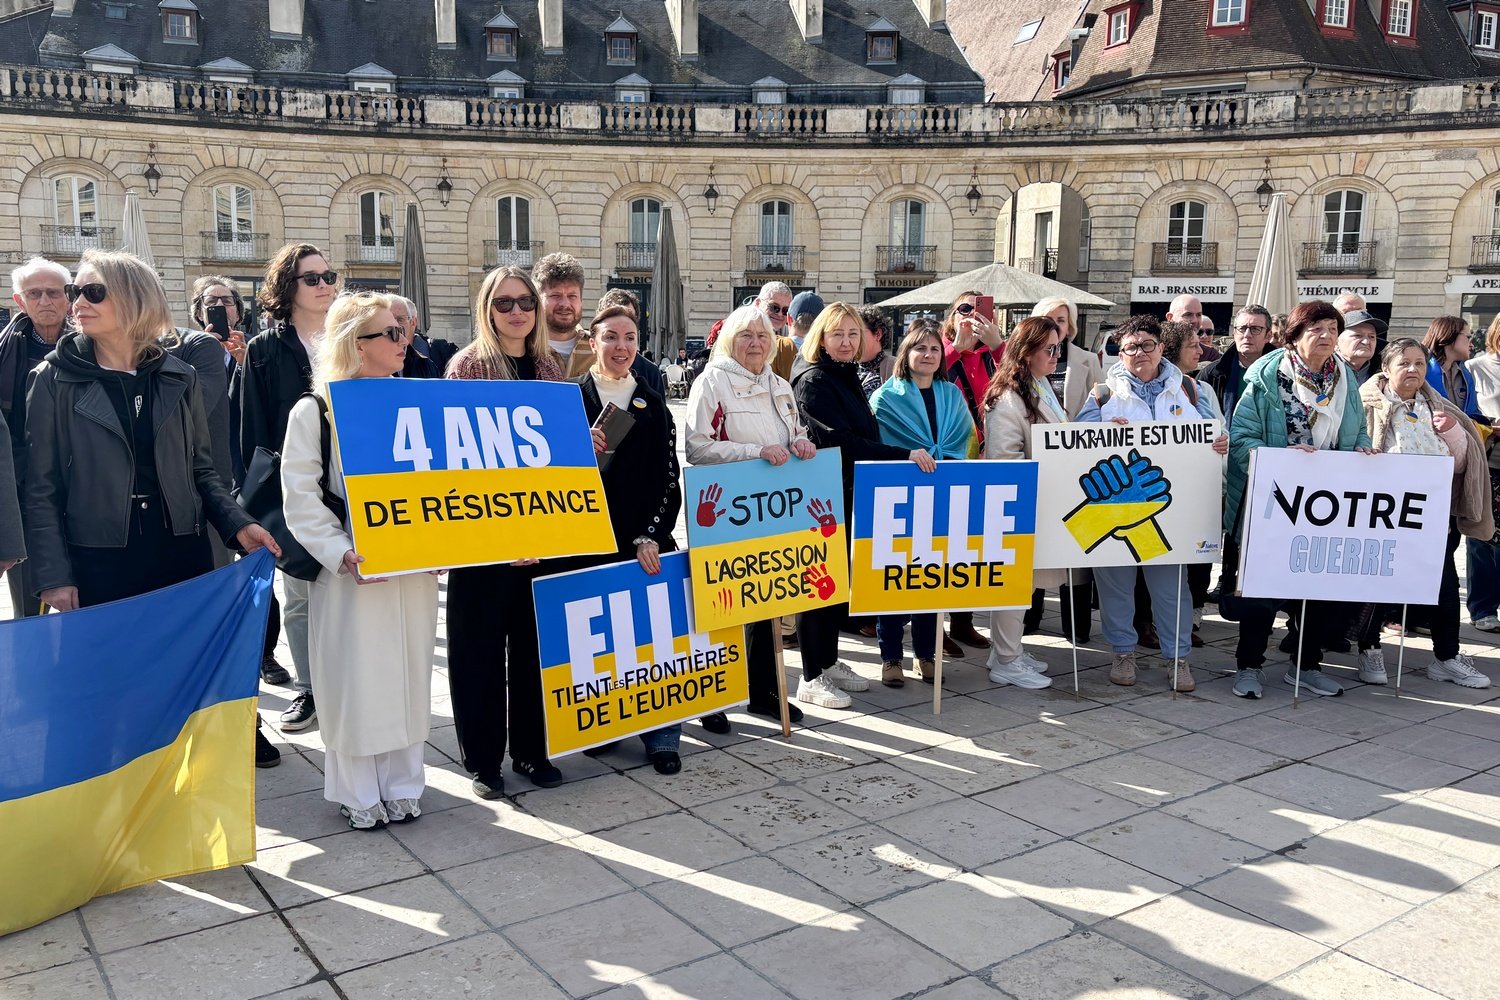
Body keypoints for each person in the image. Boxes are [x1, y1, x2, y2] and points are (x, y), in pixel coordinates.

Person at [24, 249, 281, 762]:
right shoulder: (52, 379)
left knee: (180, 687)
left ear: (133, 299)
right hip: (99, 559)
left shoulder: (178, 376)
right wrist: (53, 575)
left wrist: (239, 524)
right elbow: (40, 488)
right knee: (103, 697)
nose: (78, 302)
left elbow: (202, 471)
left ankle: (175, 798)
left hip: (179, 553)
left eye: (93, 291)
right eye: (76, 291)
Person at [282, 291, 442, 827]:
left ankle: (403, 784)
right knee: (356, 680)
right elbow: (300, 498)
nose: (404, 341)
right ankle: (357, 792)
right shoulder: (315, 411)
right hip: (353, 570)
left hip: (412, 567)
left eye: (403, 330)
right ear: (356, 344)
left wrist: (449, 543)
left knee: (408, 676)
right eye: (390, 333)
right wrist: (341, 552)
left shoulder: (417, 401)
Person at [444, 266, 566, 797]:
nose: (516, 312)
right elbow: (455, 460)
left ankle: (533, 751)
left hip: (540, 533)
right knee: (480, 651)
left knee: (536, 648)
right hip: (484, 535)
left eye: (525, 302)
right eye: (504, 303)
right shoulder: (466, 367)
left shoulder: (550, 366)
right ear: (487, 309)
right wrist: (500, 535)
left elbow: (556, 457)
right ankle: (484, 760)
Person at [1223, 300, 1374, 699]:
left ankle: (1306, 666)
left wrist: (1363, 448)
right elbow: (1241, 439)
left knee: (1318, 590)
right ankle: (1248, 667)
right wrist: (1282, 459)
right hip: (1273, 502)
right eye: (1316, 329)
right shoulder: (1268, 376)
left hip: (1326, 504)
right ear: (1293, 336)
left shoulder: (1344, 377)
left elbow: (1356, 429)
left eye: (1332, 329)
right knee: (1261, 592)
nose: (1326, 336)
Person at [1077, 316, 1229, 691]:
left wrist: (1220, 445)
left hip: (1170, 510)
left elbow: (1217, 436)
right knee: (1116, 586)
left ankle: (1178, 658)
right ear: (1121, 354)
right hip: (1116, 506)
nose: (1140, 352)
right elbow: (1076, 443)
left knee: (1171, 588)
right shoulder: (1102, 395)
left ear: (1161, 348)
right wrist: (1099, 434)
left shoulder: (1192, 390)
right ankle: (1122, 653)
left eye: (1147, 345)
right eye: (1131, 347)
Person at [568, 304, 687, 772]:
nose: (621, 347)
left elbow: (669, 478)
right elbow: (551, 476)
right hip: (589, 541)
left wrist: (651, 534)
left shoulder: (652, 401)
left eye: (630, 338)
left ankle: (663, 733)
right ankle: (608, 723)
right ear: (592, 342)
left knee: (655, 638)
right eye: (611, 337)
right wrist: (578, 449)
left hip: (642, 541)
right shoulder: (569, 399)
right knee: (601, 638)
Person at [791, 302, 926, 707]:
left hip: (847, 493)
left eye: (853, 334)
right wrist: (902, 455)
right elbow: (840, 443)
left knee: (836, 585)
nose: (847, 342)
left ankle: (828, 661)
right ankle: (811, 675)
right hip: (822, 499)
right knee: (819, 585)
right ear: (821, 338)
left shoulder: (844, 373)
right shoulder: (814, 379)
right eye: (838, 334)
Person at [686, 304, 814, 725]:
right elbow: (698, 447)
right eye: (746, 335)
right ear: (729, 340)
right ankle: (715, 699)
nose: (756, 343)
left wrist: (801, 442)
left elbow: (793, 430)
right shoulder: (712, 381)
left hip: (773, 506)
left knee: (766, 598)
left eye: (762, 336)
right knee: (725, 601)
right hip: (729, 506)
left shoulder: (780, 383)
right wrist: (755, 452)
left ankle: (764, 690)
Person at [1354, 338, 1494, 689]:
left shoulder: (1439, 407)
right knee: (1378, 584)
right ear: (1386, 368)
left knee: (1444, 585)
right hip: (1381, 514)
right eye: (1404, 363)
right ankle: (1369, 649)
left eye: (1419, 363)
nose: (1413, 370)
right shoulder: (1364, 403)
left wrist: (1453, 433)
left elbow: (1461, 464)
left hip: (1430, 516)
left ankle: (1447, 657)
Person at [242, 242, 338, 733]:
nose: (324, 286)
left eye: (329, 277)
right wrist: (254, 505)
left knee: (348, 593)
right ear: (287, 287)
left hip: (350, 487)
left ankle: (347, 684)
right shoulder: (263, 350)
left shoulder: (350, 336)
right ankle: (309, 688)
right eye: (312, 278)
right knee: (299, 595)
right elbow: (251, 430)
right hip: (292, 489)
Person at [869, 320, 975, 685]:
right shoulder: (886, 397)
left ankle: (926, 654)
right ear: (906, 353)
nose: (928, 355)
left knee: (932, 576)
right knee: (895, 577)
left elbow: (966, 439)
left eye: (934, 349)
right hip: (898, 498)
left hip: (943, 493)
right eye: (920, 348)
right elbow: (879, 446)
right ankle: (891, 658)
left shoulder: (952, 394)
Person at [978, 316, 1073, 691]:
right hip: (1018, 504)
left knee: (1025, 584)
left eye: (1058, 347)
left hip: (1041, 500)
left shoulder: (1040, 385)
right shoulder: (1007, 399)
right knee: (1014, 585)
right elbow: (1005, 461)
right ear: (1027, 352)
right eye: (1049, 349)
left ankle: (1006, 651)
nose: (1056, 355)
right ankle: (1006, 659)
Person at [1024, 296, 1106, 641]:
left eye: (1060, 318)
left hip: (1078, 465)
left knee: (1076, 549)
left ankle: (1077, 626)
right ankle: (1029, 618)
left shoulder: (1087, 360)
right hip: (1038, 464)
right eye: (1047, 317)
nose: (1054, 324)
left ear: (1070, 325)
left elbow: (1102, 403)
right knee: (1037, 551)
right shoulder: (1025, 369)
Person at [1, 257, 72, 617]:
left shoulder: (93, 346)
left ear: (69, 297)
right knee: (30, 610)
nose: (45, 301)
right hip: (25, 490)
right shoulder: (5, 352)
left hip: (83, 487)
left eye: (53, 292)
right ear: (20, 300)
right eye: (34, 293)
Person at [939, 291, 1003, 652]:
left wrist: (998, 345)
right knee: (939, 546)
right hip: (947, 459)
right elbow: (921, 378)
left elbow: (1021, 380)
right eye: (964, 309)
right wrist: (955, 349)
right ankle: (935, 629)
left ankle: (963, 622)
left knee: (972, 547)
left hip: (986, 457)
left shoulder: (993, 354)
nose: (971, 316)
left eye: (979, 310)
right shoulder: (939, 349)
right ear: (951, 317)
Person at [1160, 320, 1225, 647]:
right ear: (1172, 350)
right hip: (1163, 491)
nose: (1202, 350)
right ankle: (1157, 623)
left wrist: (1221, 443)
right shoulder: (1154, 389)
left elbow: (1219, 430)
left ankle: (1187, 618)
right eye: (1193, 345)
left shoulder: (1201, 389)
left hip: (1197, 488)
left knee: (1197, 557)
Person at [1464, 314, 1500, 633]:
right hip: (1490, 465)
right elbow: (1465, 414)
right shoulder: (1475, 367)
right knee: (1483, 537)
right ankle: (1483, 607)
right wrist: (1490, 425)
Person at [1201, 305, 1271, 421]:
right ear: (1234, 334)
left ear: (1268, 336)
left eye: (1255, 329)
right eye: (1242, 329)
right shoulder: (1212, 374)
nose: (1247, 335)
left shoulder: (1282, 372)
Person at [1423, 316, 1486, 424]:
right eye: (1468, 337)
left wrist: (1490, 423)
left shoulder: (1465, 375)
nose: (1472, 344)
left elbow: (1472, 415)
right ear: (1449, 335)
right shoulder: (1421, 371)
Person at [754, 281, 800, 381]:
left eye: (785, 310)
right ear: (758, 303)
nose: (779, 314)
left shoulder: (787, 337)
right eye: (774, 307)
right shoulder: (738, 329)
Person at [1337, 310, 1386, 385]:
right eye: (1358, 335)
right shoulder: (1323, 369)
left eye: (1372, 337)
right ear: (1337, 340)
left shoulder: (1386, 374)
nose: (1366, 342)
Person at [856, 305, 895, 399]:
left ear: (878, 334)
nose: (851, 339)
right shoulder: (845, 367)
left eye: (856, 332)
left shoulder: (895, 368)